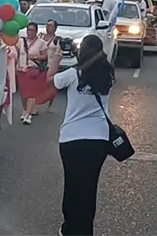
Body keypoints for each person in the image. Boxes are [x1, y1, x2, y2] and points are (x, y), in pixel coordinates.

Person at [46, 34, 114, 236]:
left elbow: (50, 81)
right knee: (89, 188)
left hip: (72, 139)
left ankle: (69, 230)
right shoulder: (107, 75)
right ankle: (85, 231)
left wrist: (55, 59)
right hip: (99, 140)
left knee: (73, 186)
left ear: (82, 51)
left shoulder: (73, 74)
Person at [17, 22, 48, 124]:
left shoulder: (41, 43)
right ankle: (25, 109)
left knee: (31, 93)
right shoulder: (21, 41)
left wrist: (34, 57)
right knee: (23, 93)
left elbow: (45, 56)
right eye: (28, 30)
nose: (30, 32)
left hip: (33, 69)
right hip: (21, 69)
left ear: (36, 31)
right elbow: (17, 53)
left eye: (32, 30)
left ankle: (28, 114)